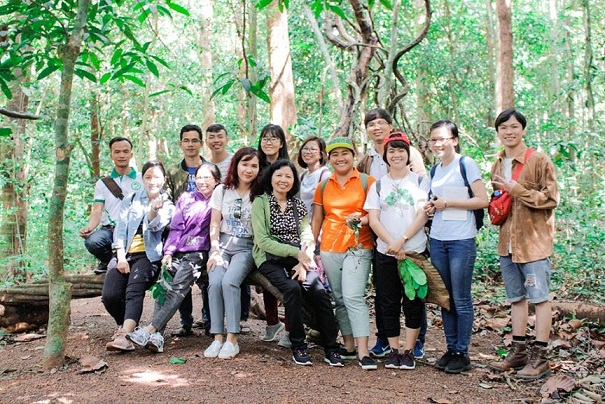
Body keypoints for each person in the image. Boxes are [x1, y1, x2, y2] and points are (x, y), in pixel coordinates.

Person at [488, 109, 559, 380]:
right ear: (498, 132)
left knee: (539, 299)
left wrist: (518, 190)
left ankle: (540, 357)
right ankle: (518, 351)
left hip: (533, 243)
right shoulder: (497, 163)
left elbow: (551, 198)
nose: (509, 131)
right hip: (507, 242)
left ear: (523, 130)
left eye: (514, 126)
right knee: (516, 298)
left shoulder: (538, 160)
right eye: (503, 127)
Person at [252, 159, 343, 367]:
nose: (283, 180)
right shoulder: (261, 202)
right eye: (279, 175)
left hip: (298, 259)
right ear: (271, 177)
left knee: (319, 292)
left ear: (294, 181)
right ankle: (298, 345)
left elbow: (307, 235)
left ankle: (331, 347)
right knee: (292, 289)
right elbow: (262, 240)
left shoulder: (298, 204)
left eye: (288, 176)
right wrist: (298, 254)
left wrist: (302, 262)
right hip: (269, 258)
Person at [125, 163, 220, 353]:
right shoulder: (186, 198)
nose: (202, 181)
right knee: (163, 285)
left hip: (198, 253)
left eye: (207, 178)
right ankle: (157, 337)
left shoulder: (218, 201)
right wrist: (168, 252)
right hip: (177, 251)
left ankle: (150, 329)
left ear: (216, 181)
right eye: (198, 177)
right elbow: (176, 228)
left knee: (178, 288)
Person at [357, 108, 428, 360]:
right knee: (387, 299)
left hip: (413, 249)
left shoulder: (420, 181)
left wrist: (402, 241)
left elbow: (422, 213)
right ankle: (394, 348)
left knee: (414, 298)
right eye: (392, 151)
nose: (396, 155)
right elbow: (373, 218)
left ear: (408, 154)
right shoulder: (377, 183)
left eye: (401, 151)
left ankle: (411, 348)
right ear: (385, 156)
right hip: (384, 249)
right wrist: (390, 242)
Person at [423, 120, 488, 374]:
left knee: (461, 298)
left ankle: (462, 350)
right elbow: (437, 202)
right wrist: (432, 207)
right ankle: (451, 349)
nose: (438, 144)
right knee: (445, 298)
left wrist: (448, 202)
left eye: (443, 139)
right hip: (438, 239)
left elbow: (481, 200)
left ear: (455, 140)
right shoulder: (435, 170)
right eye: (433, 140)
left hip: (461, 239)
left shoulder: (466, 164)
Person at [312, 137, 377, 370]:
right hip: (330, 247)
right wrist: (311, 247)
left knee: (353, 297)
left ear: (353, 155)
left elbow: (376, 213)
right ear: (329, 158)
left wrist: (362, 219)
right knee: (339, 298)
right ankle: (348, 346)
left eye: (345, 153)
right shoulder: (323, 184)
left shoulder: (366, 181)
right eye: (335, 154)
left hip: (359, 246)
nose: (340, 158)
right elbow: (318, 218)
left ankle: (363, 351)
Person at [102, 160, 174, 352]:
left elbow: (155, 226)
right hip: (125, 253)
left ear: (164, 179)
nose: (152, 181)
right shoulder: (132, 198)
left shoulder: (168, 204)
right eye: (148, 177)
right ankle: (125, 326)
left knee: (134, 291)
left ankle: (124, 336)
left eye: (157, 177)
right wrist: (121, 256)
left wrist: (152, 211)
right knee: (110, 295)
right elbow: (120, 229)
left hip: (148, 257)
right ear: (142, 179)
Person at [204, 147, 260, 359]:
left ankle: (232, 338)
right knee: (215, 281)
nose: (249, 169)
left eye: (254, 166)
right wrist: (215, 250)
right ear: (235, 165)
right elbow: (215, 223)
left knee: (230, 282)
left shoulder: (260, 194)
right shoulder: (222, 190)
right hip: (222, 245)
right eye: (245, 164)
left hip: (246, 246)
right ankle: (217, 337)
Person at [165, 124, 208, 337]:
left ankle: (209, 320)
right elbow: (167, 200)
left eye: (194, 140)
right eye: (186, 140)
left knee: (207, 279)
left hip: (206, 234)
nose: (190, 144)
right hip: (181, 235)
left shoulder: (209, 169)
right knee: (181, 276)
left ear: (201, 143)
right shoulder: (173, 172)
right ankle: (186, 322)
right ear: (181, 144)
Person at [79, 137, 142, 274]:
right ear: (111, 155)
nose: (121, 155)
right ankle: (110, 260)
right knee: (93, 242)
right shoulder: (103, 184)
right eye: (117, 152)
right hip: (111, 229)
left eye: (125, 151)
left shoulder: (141, 178)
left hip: (134, 229)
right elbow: (97, 209)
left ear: (131, 154)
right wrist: (90, 227)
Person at [257, 124, 290, 345]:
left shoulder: (287, 166)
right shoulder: (254, 164)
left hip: (284, 226)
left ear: (281, 143)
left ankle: (290, 326)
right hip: (259, 224)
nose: (269, 142)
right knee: (266, 276)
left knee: (284, 276)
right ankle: (271, 323)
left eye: (273, 138)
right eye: (265, 138)